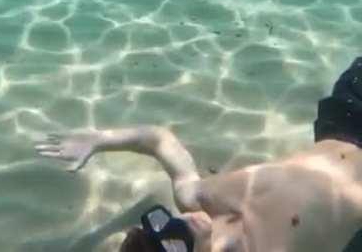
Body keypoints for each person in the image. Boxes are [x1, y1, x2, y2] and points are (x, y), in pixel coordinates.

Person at [36, 58, 362, 252]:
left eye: (159, 222)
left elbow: (158, 141)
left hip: (343, 119)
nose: (178, 220)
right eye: (174, 237)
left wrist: (98, 140)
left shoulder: (194, 199)